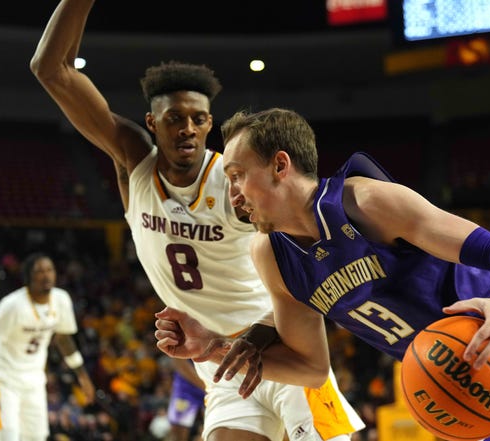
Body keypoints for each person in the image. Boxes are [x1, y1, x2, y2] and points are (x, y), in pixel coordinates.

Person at [153, 107, 490, 441]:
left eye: (236, 176)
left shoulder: (365, 203)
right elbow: (310, 367)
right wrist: (213, 346)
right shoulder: (270, 254)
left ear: (280, 166)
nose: (231, 193)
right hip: (452, 387)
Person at [31, 2, 364, 441]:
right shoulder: (135, 165)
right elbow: (50, 69)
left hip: (281, 346)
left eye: (198, 119)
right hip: (220, 361)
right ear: (152, 123)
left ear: (210, 124)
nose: (187, 128)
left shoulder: (236, 182)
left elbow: (304, 260)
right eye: (174, 119)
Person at [0, 252, 96, 441]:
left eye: (49, 270)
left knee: (37, 437)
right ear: (29, 277)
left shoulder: (61, 299)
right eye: (39, 271)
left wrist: (82, 376)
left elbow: (64, 339)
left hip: (34, 381)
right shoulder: (12, 305)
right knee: (7, 437)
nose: (46, 275)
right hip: (2, 381)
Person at [168, 359, 205, 441]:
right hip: (186, 388)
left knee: (215, 428)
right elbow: (179, 363)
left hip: (211, 384)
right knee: (178, 431)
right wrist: (205, 386)